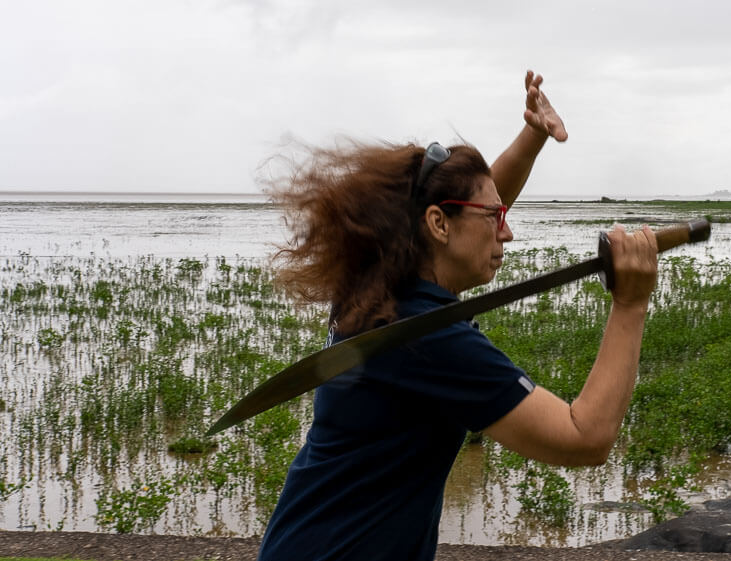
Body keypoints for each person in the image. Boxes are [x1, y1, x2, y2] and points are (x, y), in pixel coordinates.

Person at [257, 72, 658, 561]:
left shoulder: (376, 288)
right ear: (437, 224)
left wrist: (531, 139)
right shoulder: (430, 341)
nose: (505, 233)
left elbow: (474, 208)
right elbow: (585, 437)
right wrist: (631, 302)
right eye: (496, 220)